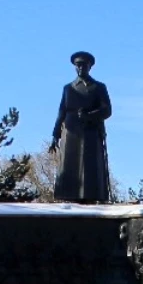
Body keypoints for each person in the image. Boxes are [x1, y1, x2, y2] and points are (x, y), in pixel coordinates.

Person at [50, 51, 112, 204]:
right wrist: (55, 135)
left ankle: (90, 196)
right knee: (69, 164)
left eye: (83, 65)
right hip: (70, 132)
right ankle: (68, 196)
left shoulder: (98, 87)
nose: (80, 68)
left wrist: (90, 115)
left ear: (89, 67)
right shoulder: (68, 88)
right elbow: (61, 112)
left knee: (89, 165)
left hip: (89, 131)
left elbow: (107, 110)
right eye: (77, 66)